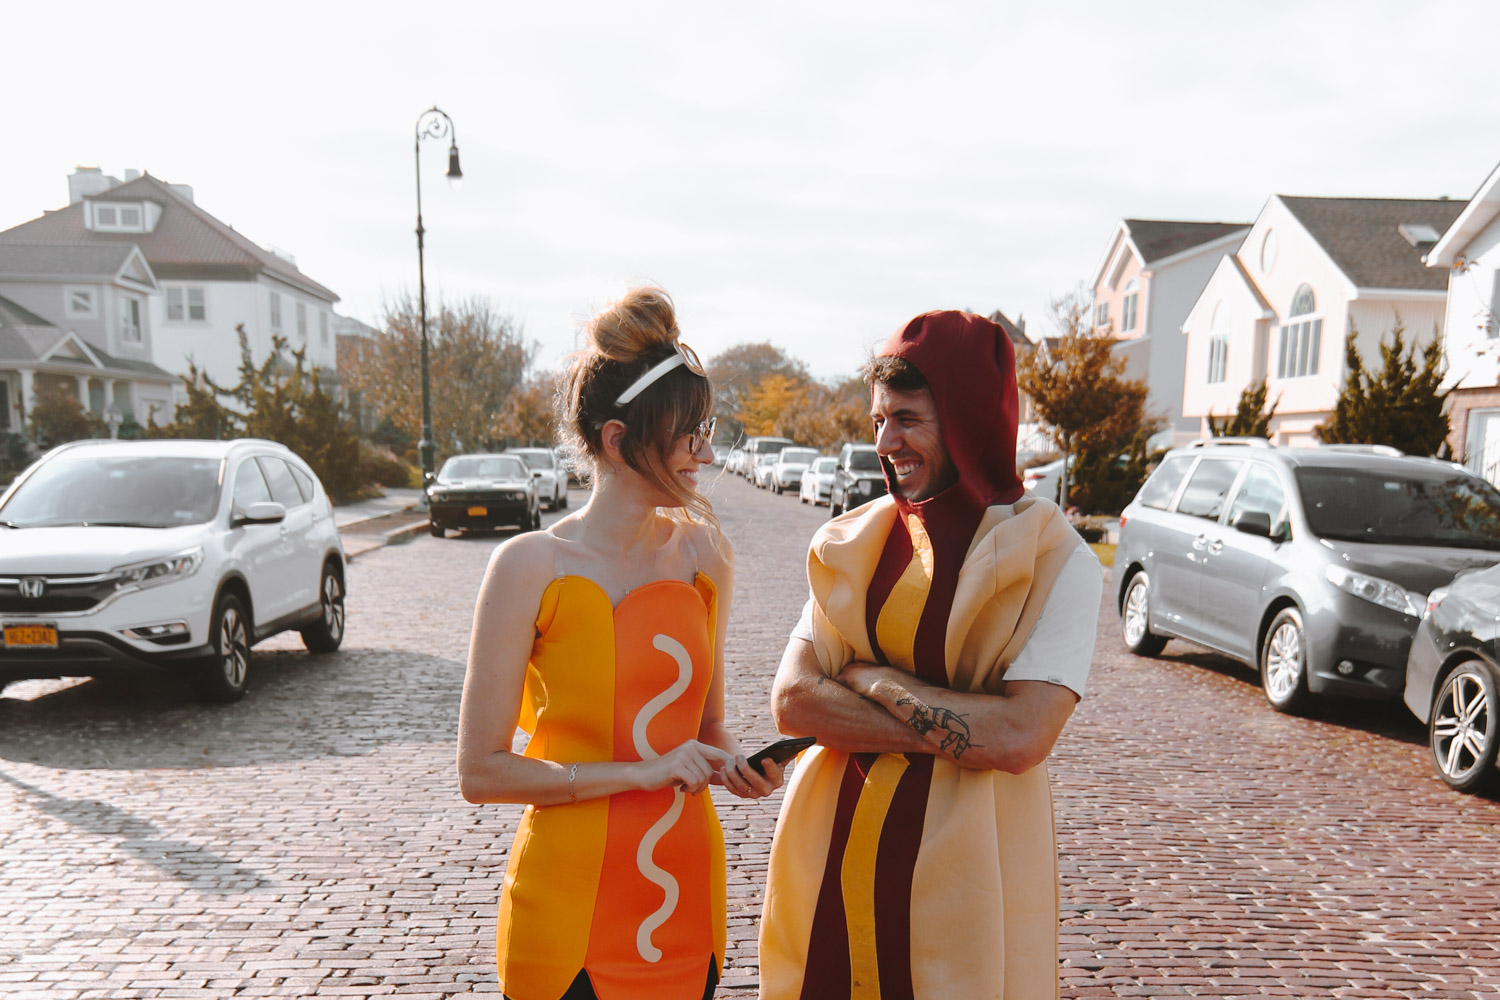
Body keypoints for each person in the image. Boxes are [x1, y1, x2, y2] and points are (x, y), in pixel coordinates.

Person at [758, 310, 1101, 1000]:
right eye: (878, 420)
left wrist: (873, 682)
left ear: (969, 416)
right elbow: (793, 700)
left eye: (908, 418)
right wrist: (953, 731)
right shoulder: (852, 544)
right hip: (831, 856)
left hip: (966, 879)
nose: (886, 442)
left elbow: (1021, 735)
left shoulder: (1059, 562)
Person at [457, 286, 783, 1000]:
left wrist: (739, 765)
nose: (703, 449)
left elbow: (707, 726)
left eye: (705, 427)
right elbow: (481, 773)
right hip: (565, 911)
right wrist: (641, 772)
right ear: (616, 439)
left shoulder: (707, 556)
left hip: (684, 901)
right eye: (686, 431)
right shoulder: (528, 567)